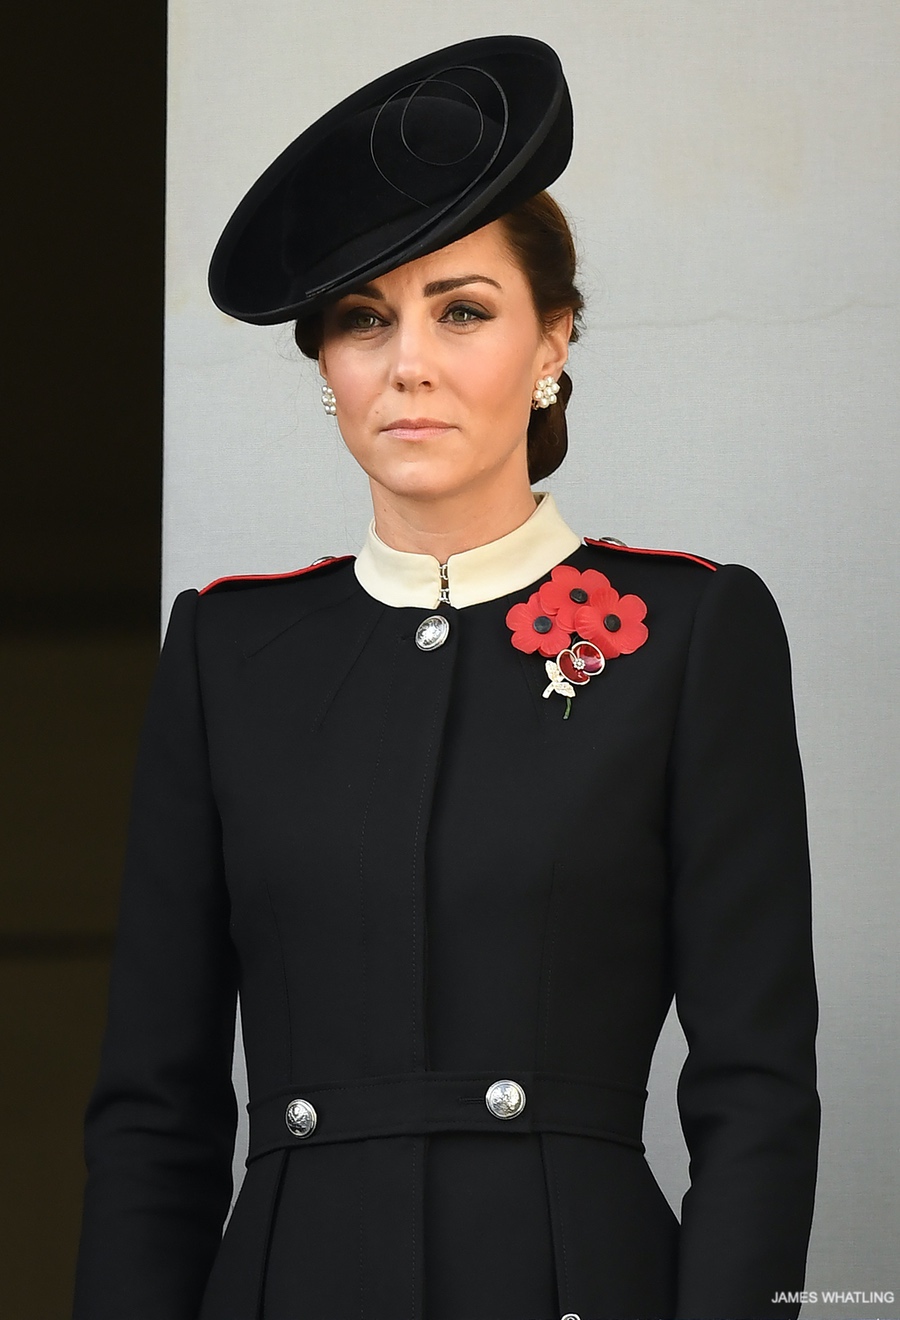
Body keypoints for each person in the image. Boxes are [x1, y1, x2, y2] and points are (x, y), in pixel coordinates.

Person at [72, 35, 820, 1320]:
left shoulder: (690, 630)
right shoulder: (228, 651)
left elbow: (756, 1089)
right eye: (365, 320)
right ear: (326, 368)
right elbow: (154, 1109)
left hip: (574, 1281)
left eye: (462, 310)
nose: (407, 361)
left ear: (553, 340)